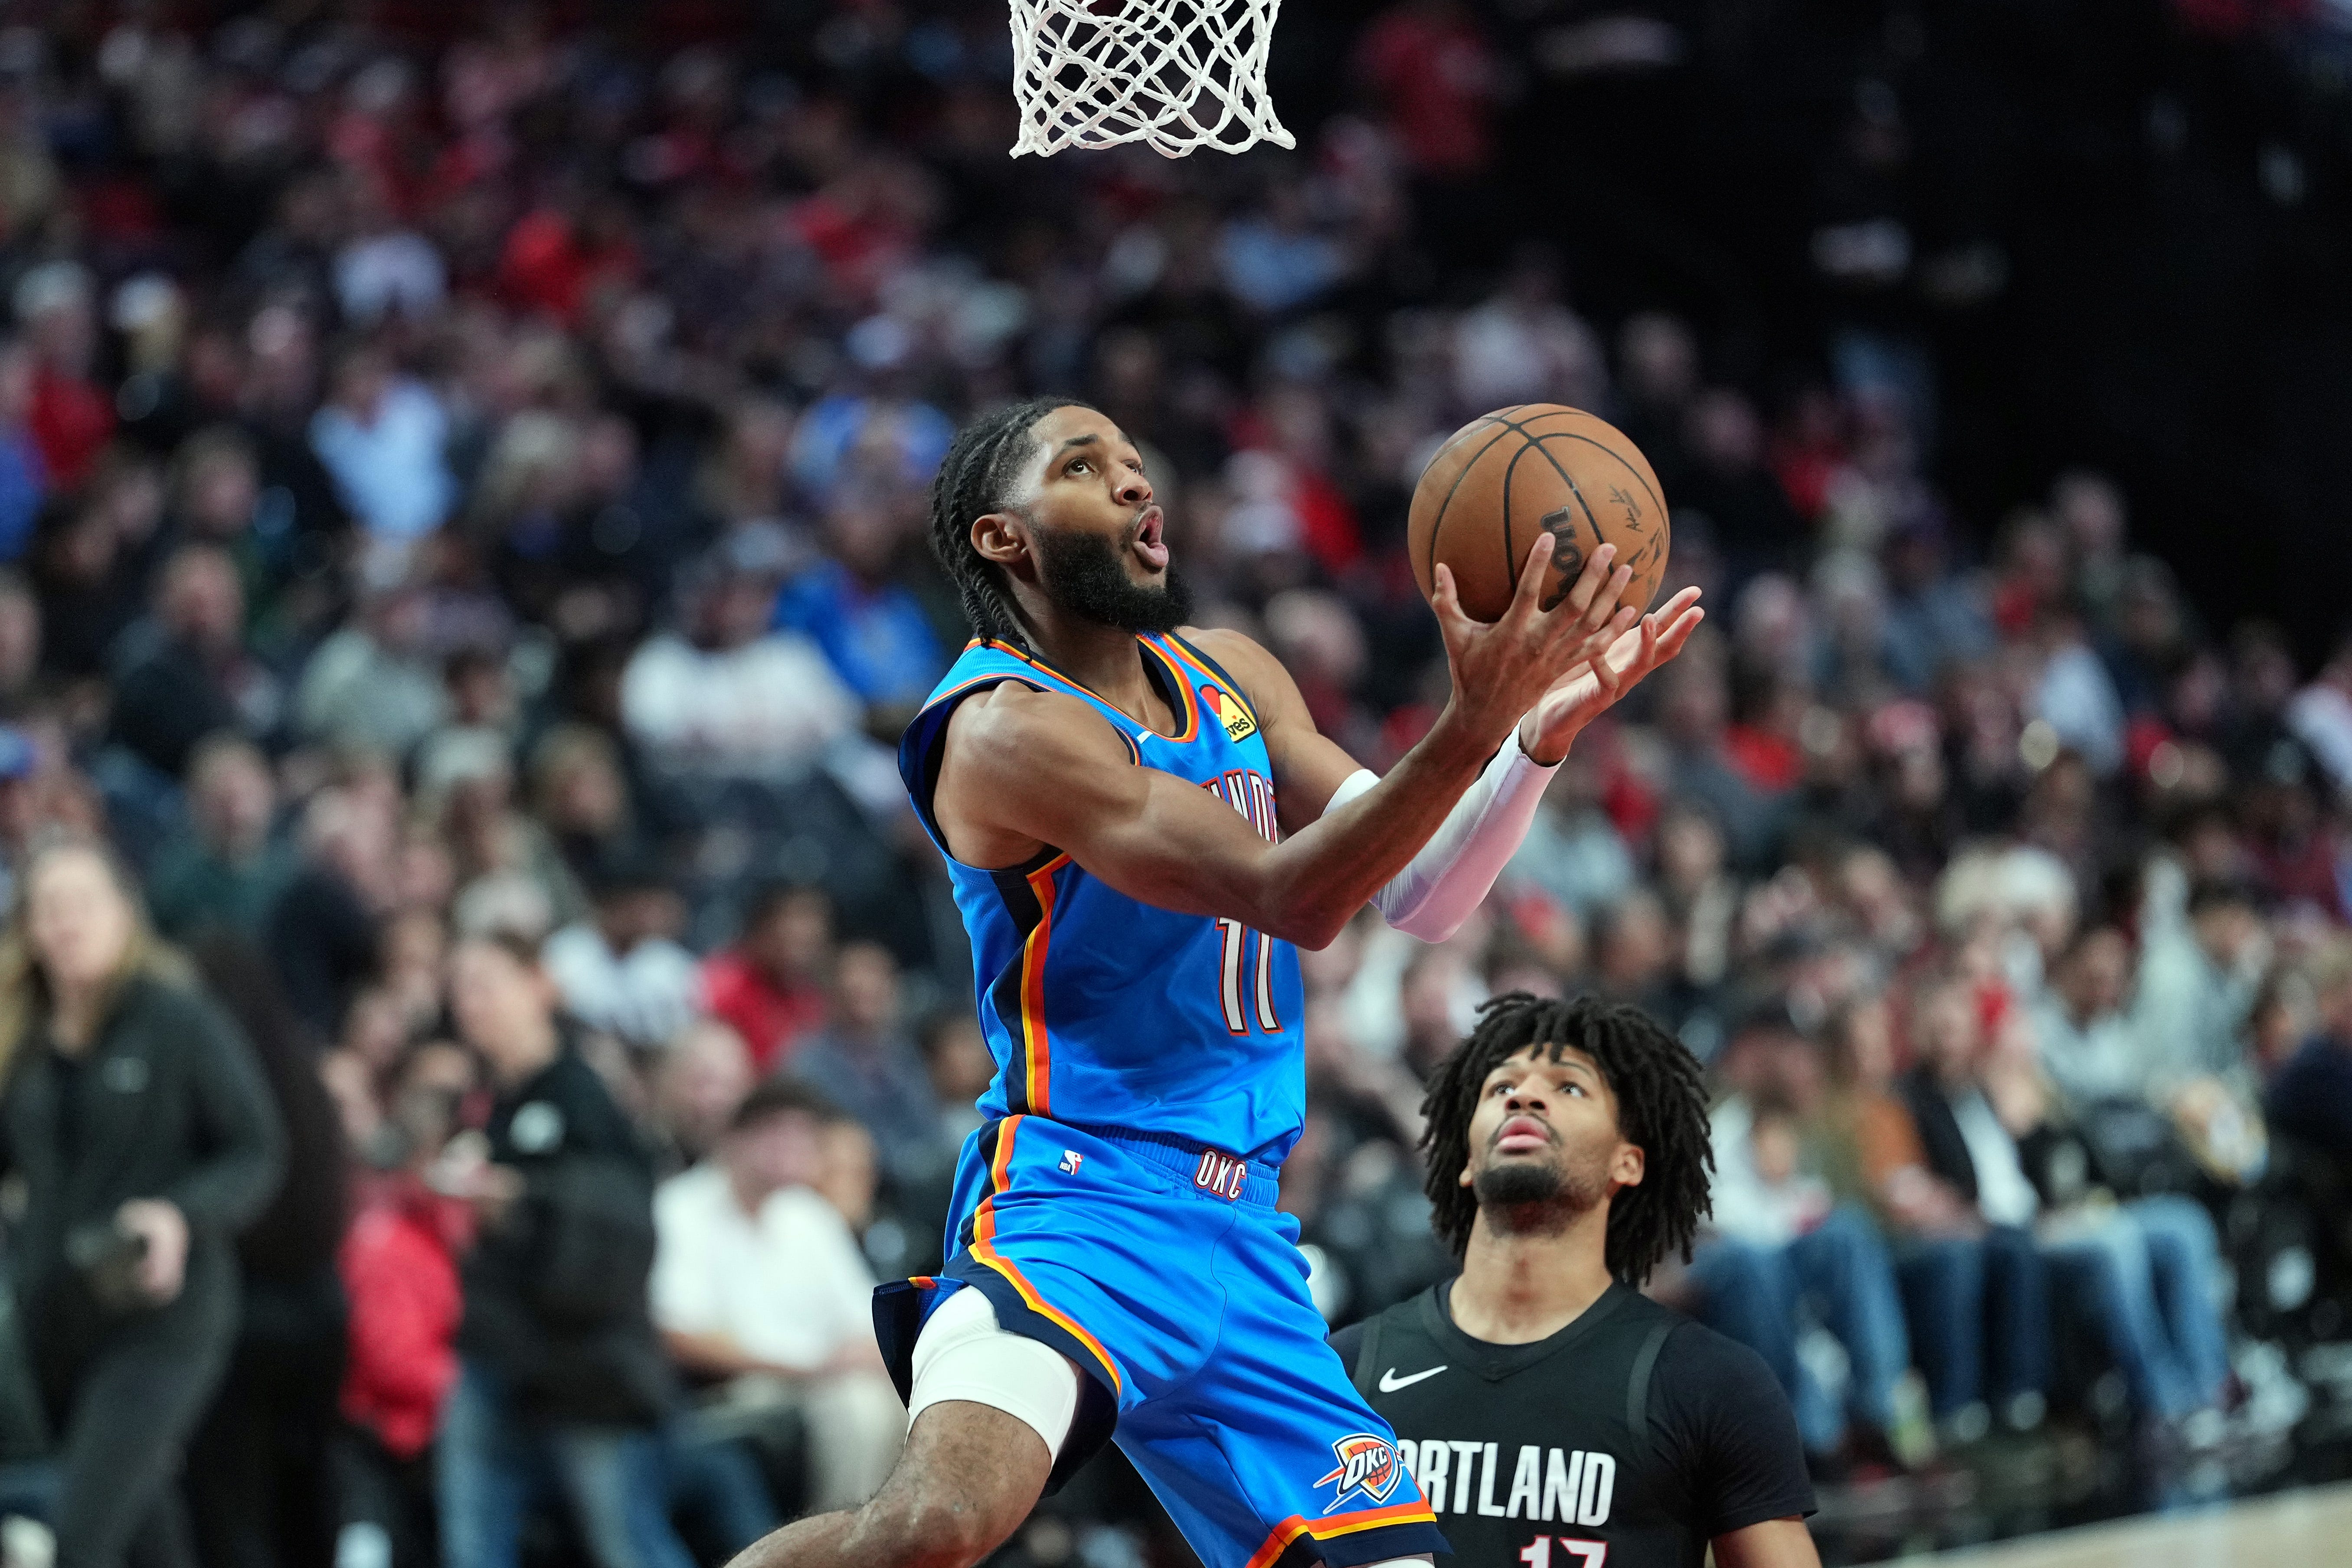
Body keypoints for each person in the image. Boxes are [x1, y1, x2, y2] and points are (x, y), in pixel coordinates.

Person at [726, 399, 1702, 1568]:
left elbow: (1419, 892)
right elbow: (1294, 895)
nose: (1137, 485)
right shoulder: (999, 730)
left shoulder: (1226, 669)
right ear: (1004, 539)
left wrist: (1530, 739)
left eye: (1137, 463)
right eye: (1086, 469)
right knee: (937, 1522)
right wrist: (1465, 724)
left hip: (1242, 1233)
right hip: (1081, 1204)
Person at [1330, 994, 1816, 1568]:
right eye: (1498, 1087)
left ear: (1626, 1161)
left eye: (1568, 1087)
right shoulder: (1343, 1371)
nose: (1524, 1094)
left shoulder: (1709, 1383)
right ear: (1465, 1156)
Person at [0, 838, 285, 1568]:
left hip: (162, 1315)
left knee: (80, 1542)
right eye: (50, 908)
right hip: (54, 1320)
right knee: (147, 1538)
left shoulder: (178, 1020)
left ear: (125, 915)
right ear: (29, 926)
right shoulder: (19, 1037)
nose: (68, 923)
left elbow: (258, 1149)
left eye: (84, 904)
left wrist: (180, 1215)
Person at [437, 930, 691, 1568]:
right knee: (475, 1540)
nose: (471, 1003)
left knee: (627, 1540)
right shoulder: (490, 1101)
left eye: (485, 982)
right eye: (459, 988)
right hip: (501, 1346)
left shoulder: (581, 1092)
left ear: (538, 984)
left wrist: (521, 1195)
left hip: (586, 1358)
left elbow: (624, 1218)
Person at [653, 1078, 901, 1519]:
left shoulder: (809, 1215)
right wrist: (807, 1365)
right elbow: (679, 1334)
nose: (790, 1148)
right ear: (735, 1138)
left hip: (815, 1379)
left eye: (801, 1135)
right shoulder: (680, 1208)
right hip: (727, 1390)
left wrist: (868, 1355)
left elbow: (867, 1319)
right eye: (775, 1133)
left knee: (913, 1402)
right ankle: (829, 1547)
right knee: (856, 1411)